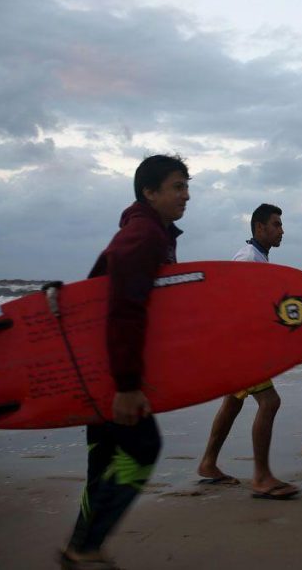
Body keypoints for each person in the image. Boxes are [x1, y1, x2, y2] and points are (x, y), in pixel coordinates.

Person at [61, 154, 189, 570]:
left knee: (104, 460)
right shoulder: (143, 235)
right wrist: (128, 384)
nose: (185, 195)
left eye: (186, 186)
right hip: (111, 368)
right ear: (149, 193)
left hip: (101, 365)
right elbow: (125, 309)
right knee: (142, 447)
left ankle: (83, 548)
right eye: (176, 187)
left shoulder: (152, 231)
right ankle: (85, 546)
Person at [196, 204, 299, 500]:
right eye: (276, 224)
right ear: (259, 228)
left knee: (233, 402)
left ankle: (208, 463)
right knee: (270, 402)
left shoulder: (259, 257)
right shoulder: (248, 258)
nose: (281, 230)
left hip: (241, 347)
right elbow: (232, 306)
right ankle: (262, 477)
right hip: (241, 349)